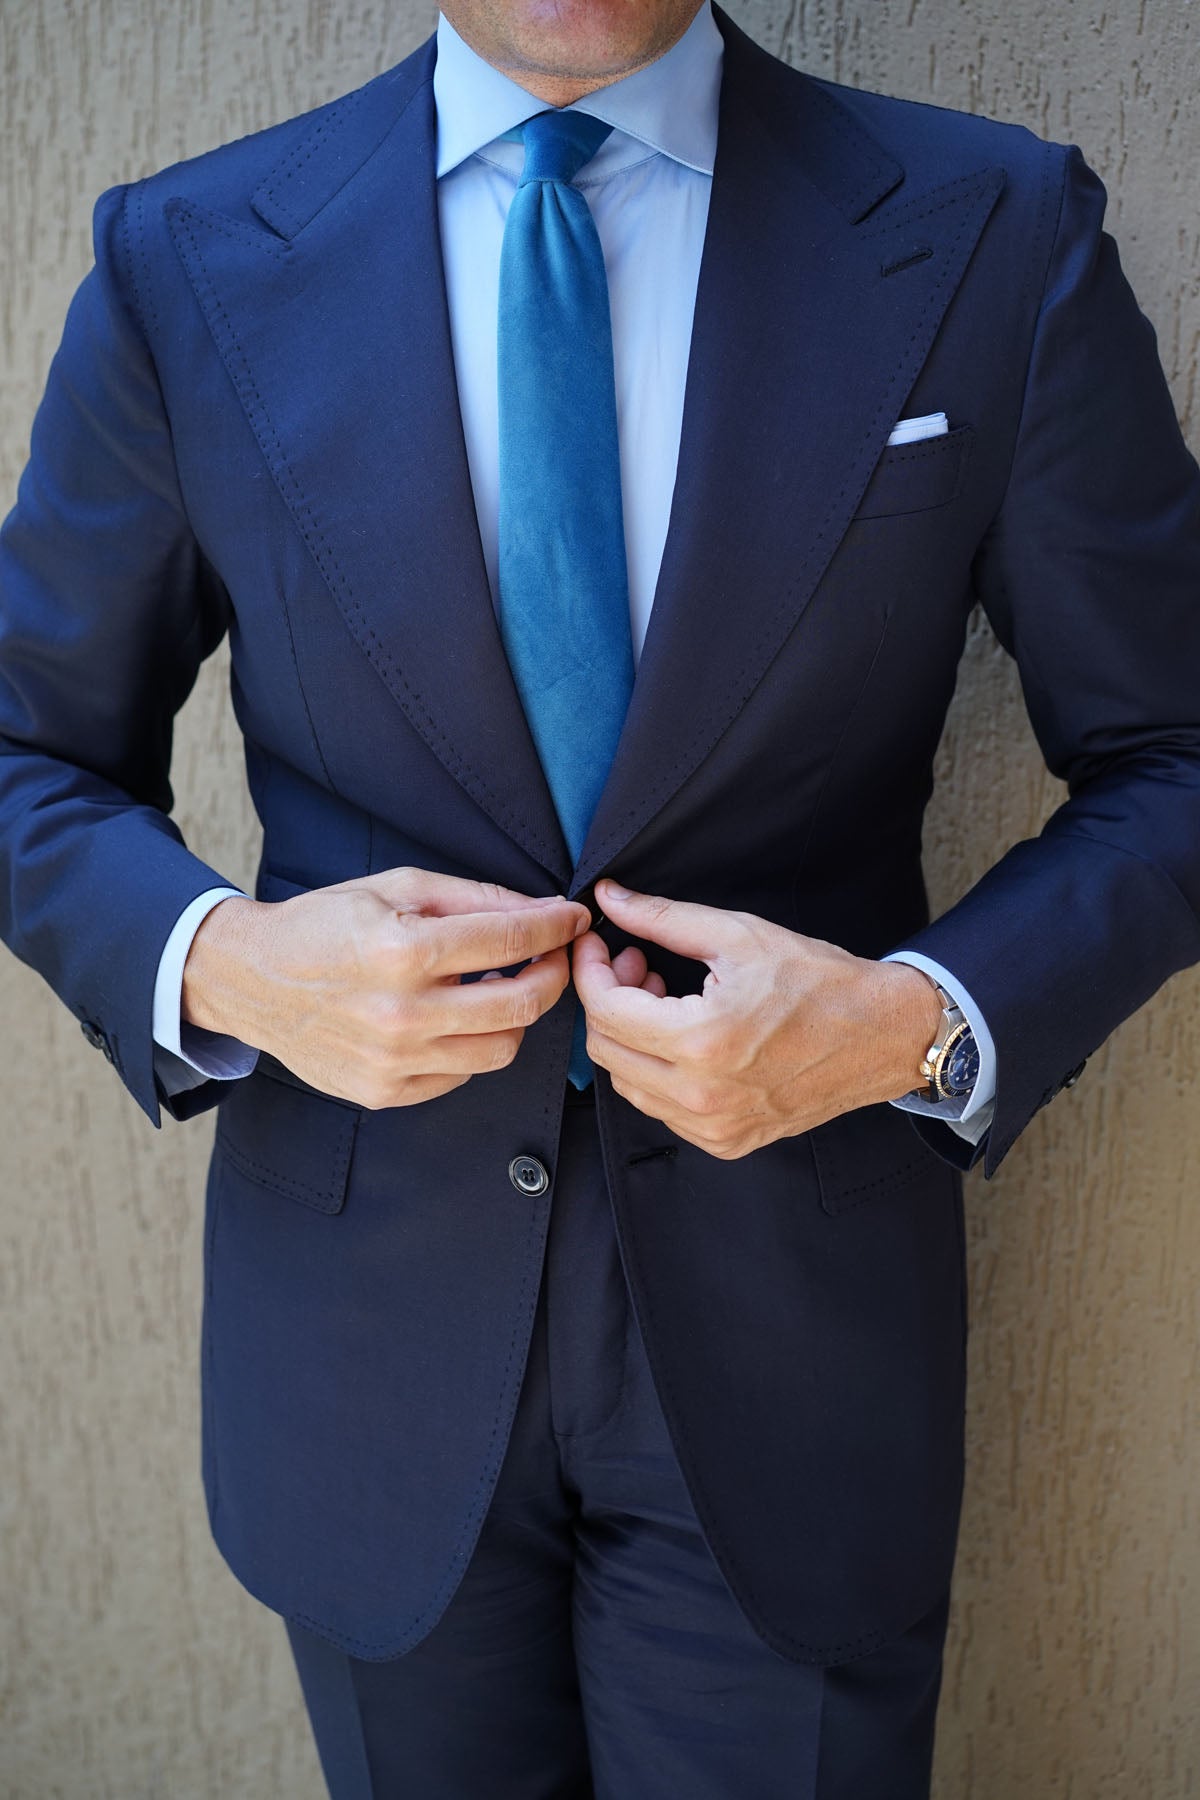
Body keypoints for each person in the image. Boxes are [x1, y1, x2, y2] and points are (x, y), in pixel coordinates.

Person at [1, 0, 1198, 1792]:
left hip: (800, 1335)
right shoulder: (186, 257)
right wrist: (233, 968)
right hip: (364, 1357)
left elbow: (1174, 750)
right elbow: (30, 751)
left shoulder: (992, 230)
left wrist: (913, 1025)